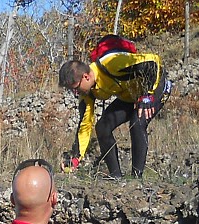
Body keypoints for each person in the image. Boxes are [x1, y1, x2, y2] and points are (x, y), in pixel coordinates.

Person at [58, 47, 166, 179]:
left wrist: (148, 95)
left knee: (137, 122)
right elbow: (85, 126)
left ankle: (137, 178)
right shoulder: (87, 93)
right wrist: (75, 158)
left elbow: (153, 62)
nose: (75, 93)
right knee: (102, 127)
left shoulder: (111, 64)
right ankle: (116, 178)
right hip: (130, 96)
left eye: (75, 88)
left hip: (154, 88)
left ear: (86, 77)